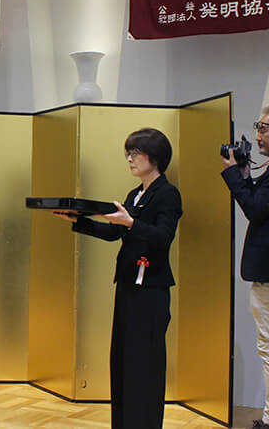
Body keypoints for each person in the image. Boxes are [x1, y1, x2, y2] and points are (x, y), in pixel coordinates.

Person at [54, 127, 181, 429]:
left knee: (144, 362)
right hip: (126, 285)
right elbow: (115, 233)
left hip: (151, 289)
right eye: (128, 153)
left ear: (155, 157)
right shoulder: (135, 194)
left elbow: (163, 237)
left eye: (136, 153)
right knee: (123, 359)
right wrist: (79, 221)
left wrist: (132, 223)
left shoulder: (168, 194)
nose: (130, 159)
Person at [221, 105, 269, 429]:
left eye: (263, 128)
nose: (257, 136)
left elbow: (254, 209)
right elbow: (264, 203)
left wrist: (232, 175)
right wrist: (244, 176)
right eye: (257, 128)